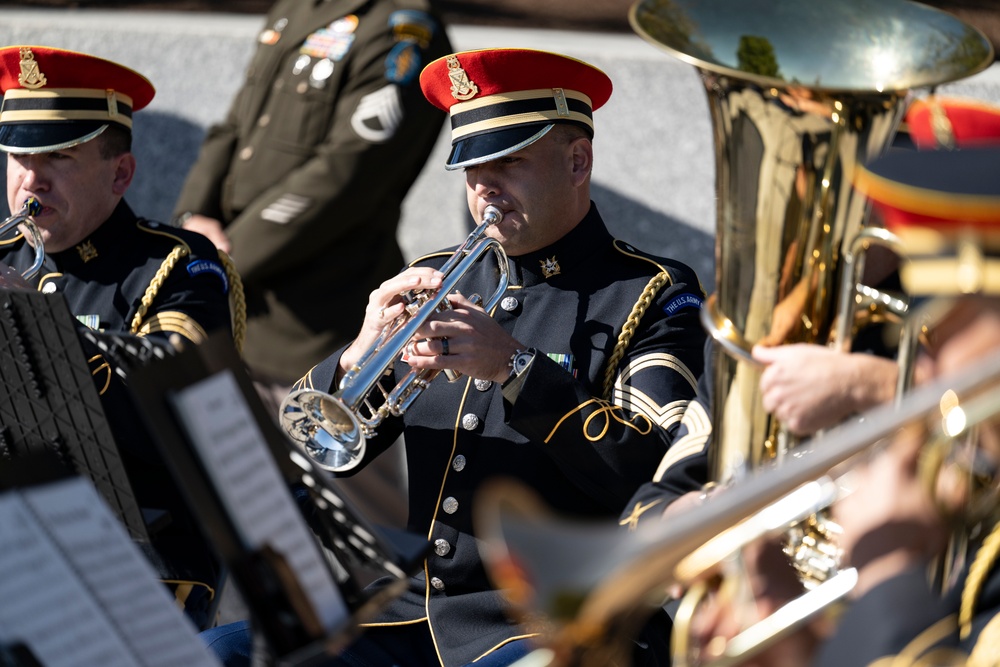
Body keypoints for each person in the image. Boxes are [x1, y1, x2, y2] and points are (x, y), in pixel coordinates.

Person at [204, 47, 709, 667]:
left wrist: (515, 369)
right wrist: (357, 356)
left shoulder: (652, 292)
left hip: (561, 622)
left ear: (578, 161)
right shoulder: (435, 277)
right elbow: (314, 452)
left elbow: (653, 472)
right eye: (471, 165)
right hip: (415, 612)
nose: (484, 187)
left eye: (508, 161)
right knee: (204, 655)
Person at [668, 128, 1000, 667]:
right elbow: (656, 499)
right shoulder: (755, 333)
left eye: (947, 331)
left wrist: (886, 567)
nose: (930, 362)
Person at [0, 45, 239, 629]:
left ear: (121, 173)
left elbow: (175, 406)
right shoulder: (7, 257)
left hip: (136, 567)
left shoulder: (178, 266)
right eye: (18, 156)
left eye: (58, 157)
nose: (32, 180)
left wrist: (42, 328)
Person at [172, 0, 453, 415]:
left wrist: (222, 261)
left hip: (316, 328)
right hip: (235, 314)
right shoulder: (296, 8)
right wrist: (195, 215)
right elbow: (236, 126)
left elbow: (345, 176)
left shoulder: (401, 28)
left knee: (332, 477)